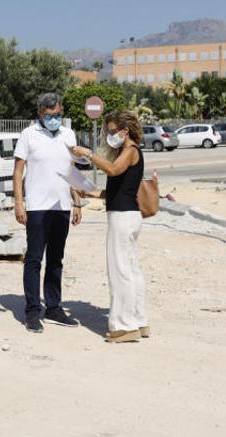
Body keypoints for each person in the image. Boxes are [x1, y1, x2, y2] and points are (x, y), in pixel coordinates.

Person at [70, 111, 148, 343]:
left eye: (113, 131)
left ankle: (124, 326)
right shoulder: (128, 153)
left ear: (126, 130)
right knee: (131, 269)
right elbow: (121, 188)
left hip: (123, 218)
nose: (110, 135)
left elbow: (113, 171)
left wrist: (90, 154)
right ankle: (138, 320)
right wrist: (93, 192)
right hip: (128, 215)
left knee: (120, 270)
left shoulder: (130, 151)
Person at [13, 92, 83, 333]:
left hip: (61, 207)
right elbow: (18, 170)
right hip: (37, 206)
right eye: (50, 115)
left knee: (56, 260)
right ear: (40, 114)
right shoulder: (28, 135)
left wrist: (76, 202)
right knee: (34, 259)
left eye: (59, 114)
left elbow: (71, 170)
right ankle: (32, 311)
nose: (55, 119)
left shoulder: (68, 134)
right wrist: (19, 202)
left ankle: (53, 307)